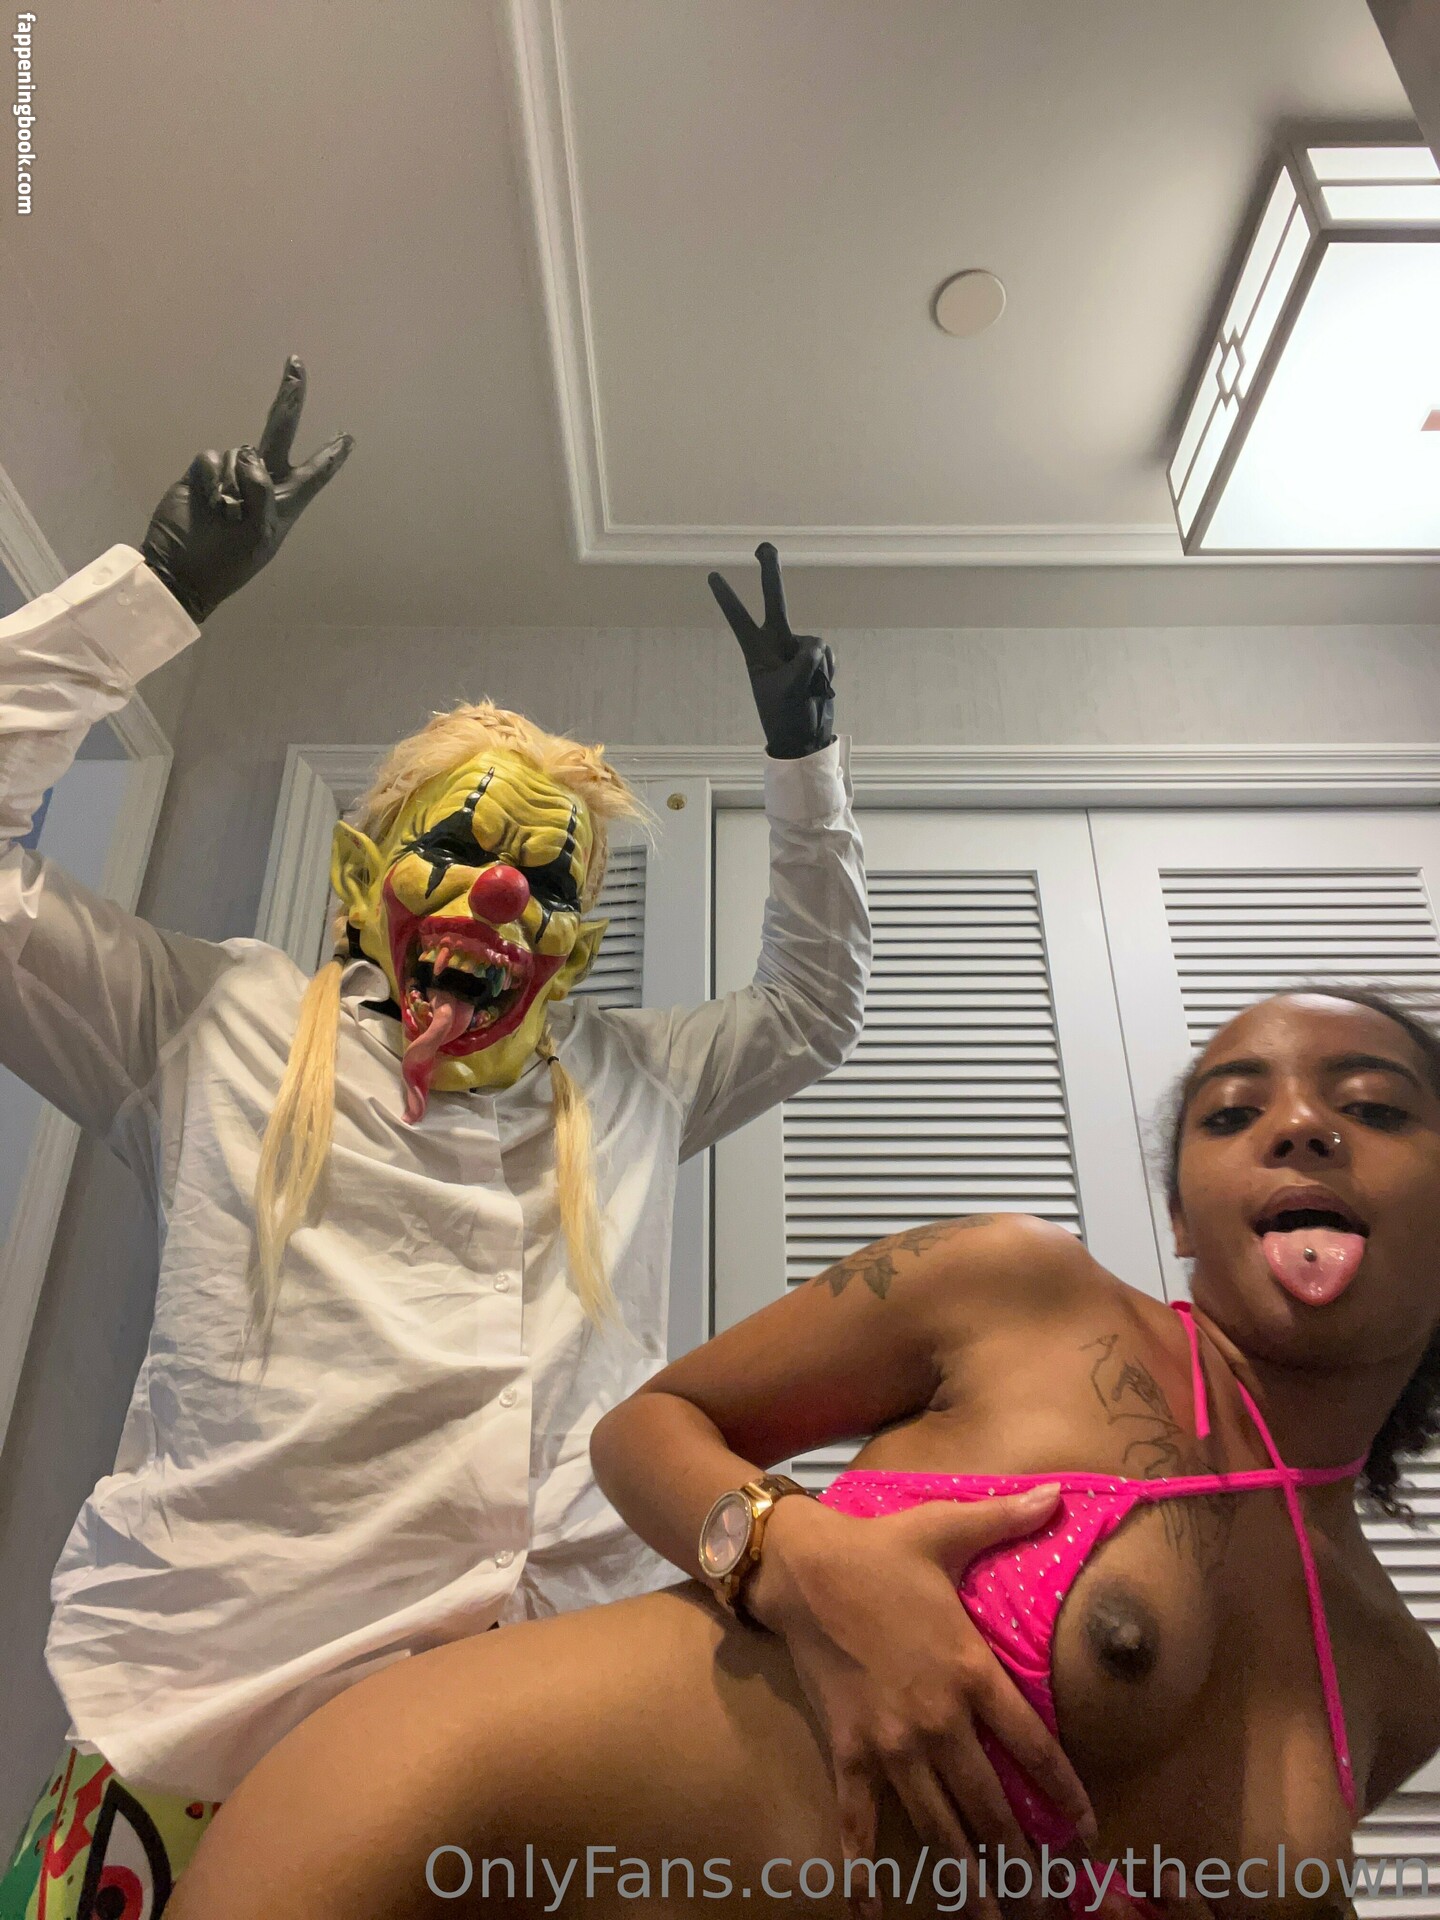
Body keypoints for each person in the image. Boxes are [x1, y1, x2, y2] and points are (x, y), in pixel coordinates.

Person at [0, 357, 880, 1916]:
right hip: (213, 1741)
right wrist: (152, 594)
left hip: (566, 1761)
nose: (500, 894)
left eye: (547, 881)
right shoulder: (212, 1026)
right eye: (458, 848)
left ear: (577, 946)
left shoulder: (631, 1081)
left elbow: (811, 1010)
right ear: (362, 878)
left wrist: (803, 768)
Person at [166, 985, 1440, 1920]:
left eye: (1373, 1106)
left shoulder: (1398, 1681)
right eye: (1232, 1113)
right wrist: (795, 1556)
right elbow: (647, 1426)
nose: (1298, 1127)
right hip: (439, 1842)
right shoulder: (1023, 1289)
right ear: (1183, 1217)